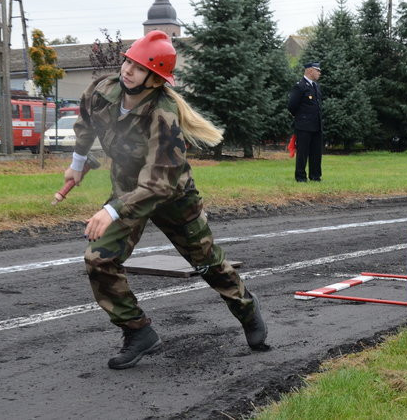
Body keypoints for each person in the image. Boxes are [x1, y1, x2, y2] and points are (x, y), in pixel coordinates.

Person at [64, 30, 269, 370]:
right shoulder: (103, 90)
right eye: (129, 61)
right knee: (98, 259)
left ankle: (246, 309)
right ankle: (139, 332)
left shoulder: (164, 113)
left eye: (139, 67)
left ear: (155, 79)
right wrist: (77, 164)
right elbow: (86, 123)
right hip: (128, 194)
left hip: (171, 197)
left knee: (208, 265)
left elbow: (159, 182)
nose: (128, 70)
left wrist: (111, 210)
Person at [287, 62, 323, 182]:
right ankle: (301, 177)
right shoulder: (300, 86)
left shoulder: (316, 86)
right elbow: (292, 105)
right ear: (310, 71)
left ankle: (315, 176)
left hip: (316, 124)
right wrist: (300, 117)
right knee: (302, 153)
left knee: (316, 152)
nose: (319, 73)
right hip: (303, 125)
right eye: (317, 70)